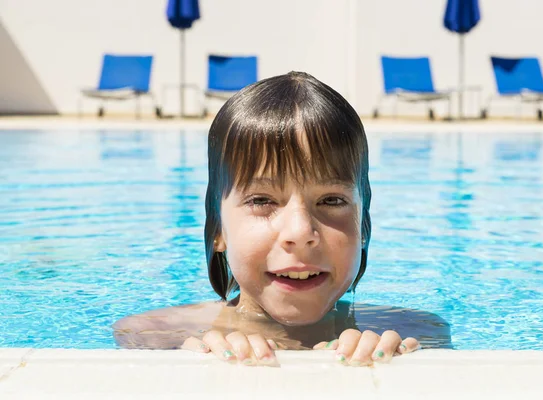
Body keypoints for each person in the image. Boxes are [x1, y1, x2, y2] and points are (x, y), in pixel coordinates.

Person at [112, 72, 451, 367]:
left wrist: (393, 363)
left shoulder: (413, 331)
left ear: (363, 225)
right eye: (261, 200)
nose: (300, 232)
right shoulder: (156, 334)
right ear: (218, 229)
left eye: (332, 200)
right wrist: (186, 365)